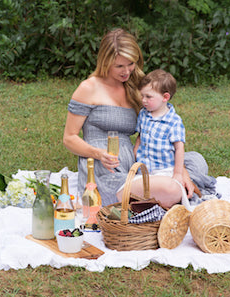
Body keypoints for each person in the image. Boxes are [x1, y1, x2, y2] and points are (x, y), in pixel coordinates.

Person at [62, 28, 197, 207]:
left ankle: (156, 192)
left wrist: (181, 171)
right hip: (106, 172)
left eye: (131, 63)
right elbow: (69, 138)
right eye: (119, 66)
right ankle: (161, 194)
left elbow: (161, 121)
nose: (126, 71)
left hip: (136, 167)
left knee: (195, 160)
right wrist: (99, 154)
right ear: (105, 62)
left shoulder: (136, 85)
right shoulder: (89, 88)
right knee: (171, 189)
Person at [131, 69, 187, 208]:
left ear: (165, 97)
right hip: (143, 169)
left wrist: (178, 173)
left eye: (148, 97)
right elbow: (140, 136)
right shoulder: (144, 114)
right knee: (138, 193)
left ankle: (169, 206)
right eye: (142, 96)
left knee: (169, 192)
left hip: (164, 169)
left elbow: (179, 148)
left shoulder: (173, 121)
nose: (143, 100)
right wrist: (135, 154)